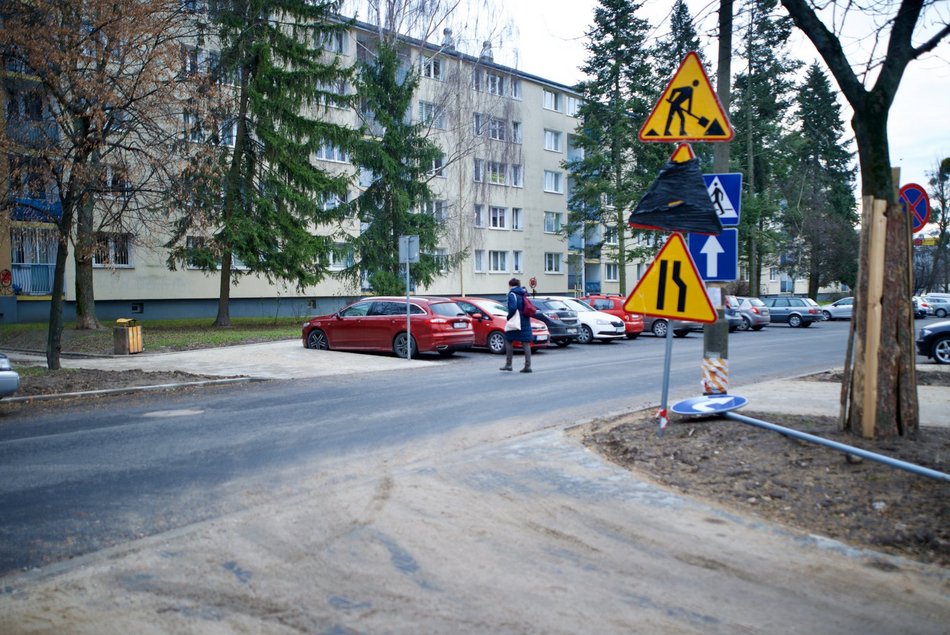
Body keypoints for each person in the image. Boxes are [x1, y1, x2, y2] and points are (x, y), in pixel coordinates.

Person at [501, 277, 532, 373]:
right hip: (525, 320)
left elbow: (513, 308)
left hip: (516, 320)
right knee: (526, 342)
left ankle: (509, 364)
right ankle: (528, 366)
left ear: (510, 285)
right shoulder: (523, 293)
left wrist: (508, 317)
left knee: (508, 339)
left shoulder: (512, 294)